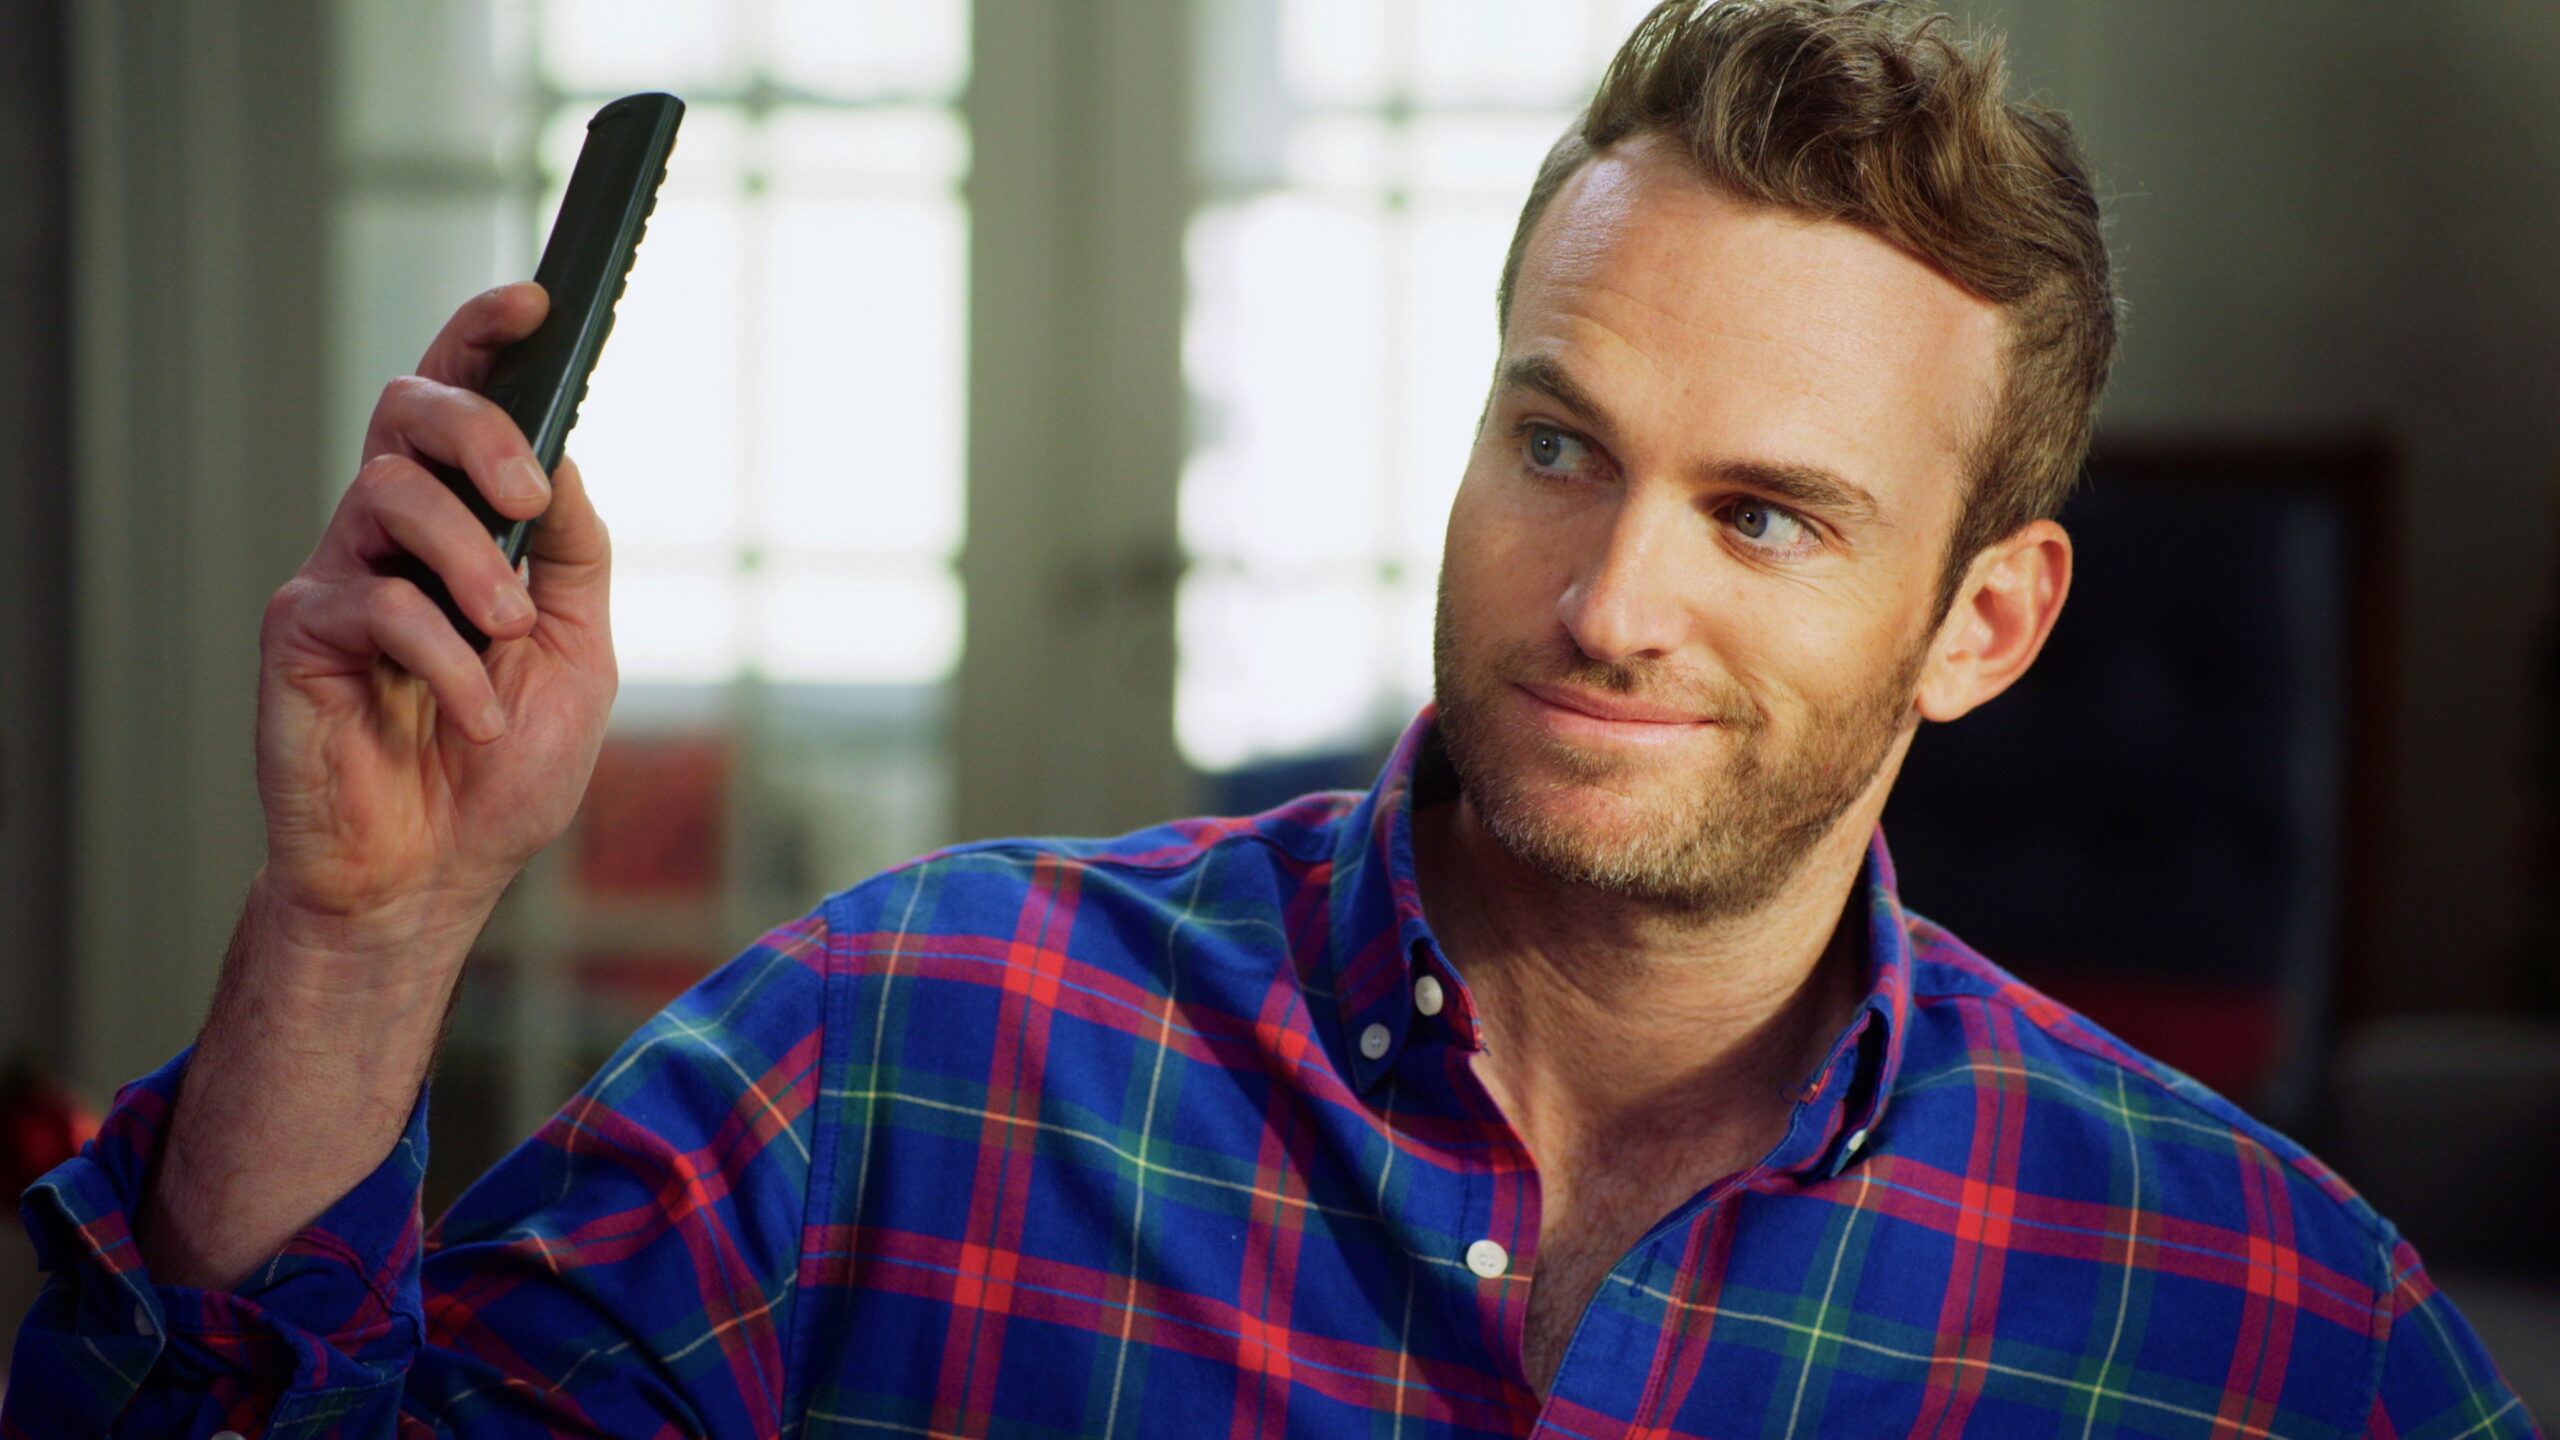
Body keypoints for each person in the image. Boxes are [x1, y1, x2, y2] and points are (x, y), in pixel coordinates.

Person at [4, 2, 2539, 1436]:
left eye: (1764, 516)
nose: (1607, 599)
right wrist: (367, 923)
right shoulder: (905, 1049)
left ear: (1980, 622)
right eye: (1556, 445)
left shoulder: (2259, 1318)